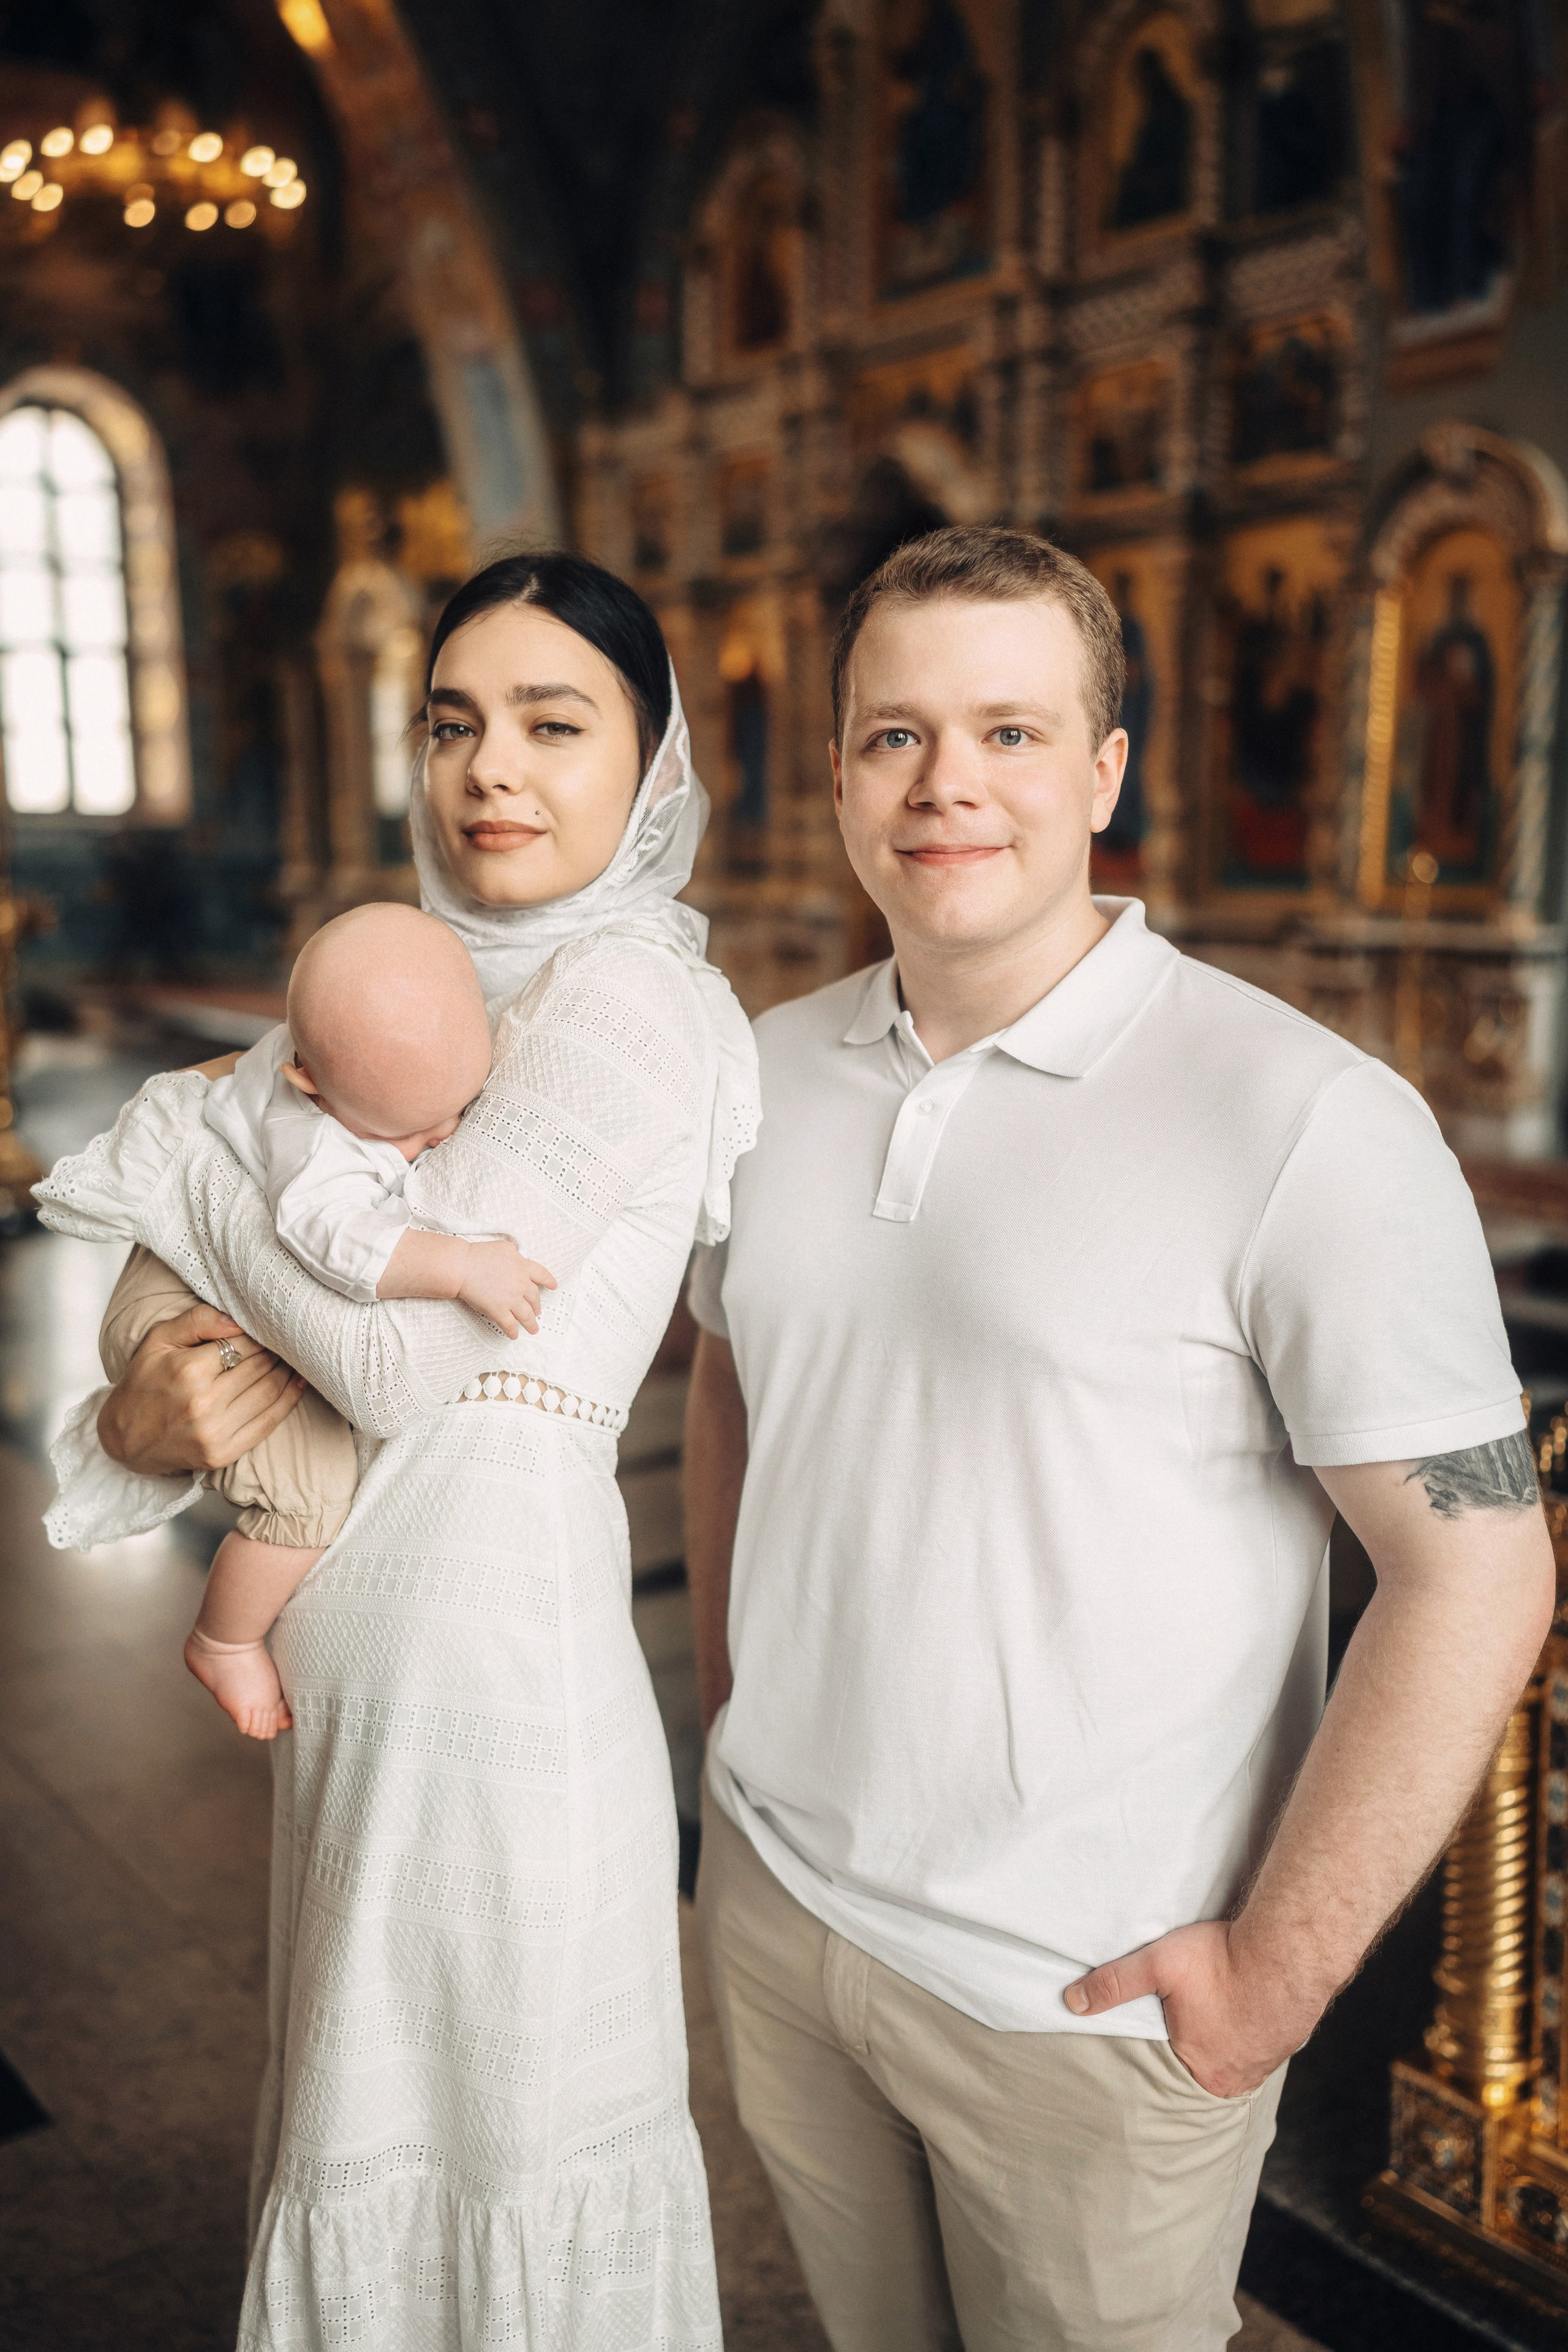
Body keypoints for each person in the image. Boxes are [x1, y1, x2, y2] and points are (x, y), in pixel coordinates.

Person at [683, 523, 1553, 2352]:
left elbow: (1476, 1568)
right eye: (896, 735)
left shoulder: (1302, 1112)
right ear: (839, 769)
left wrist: (1269, 1981)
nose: (949, 787)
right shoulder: (754, 1074)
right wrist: (737, 1722)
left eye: (1010, 731)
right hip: (780, 1909)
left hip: (1086, 1996)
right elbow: (733, 1375)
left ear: (1106, 770)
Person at [42, 552, 760, 2352]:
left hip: (495, 1672)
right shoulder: (411, 975)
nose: (489, 770)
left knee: (494, 2146)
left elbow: (390, 1346)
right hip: (369, 1679)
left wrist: (196, 1135)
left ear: (654, 761)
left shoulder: (624, 1003)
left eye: (551, 721)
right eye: (452, 723)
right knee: (376, 2128)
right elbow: (234, 1353)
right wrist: (133, 1413)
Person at [42, 900, 559, 1740]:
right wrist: (463, 1265)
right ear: (307, 1084)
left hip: (179, 1273)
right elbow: (341, 1245)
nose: (444, 1137)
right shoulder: (313, 1152)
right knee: (310, 1497)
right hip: (181, 1310)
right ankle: (225, 1638)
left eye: (458, 1110)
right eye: (411, 1133)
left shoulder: (342, 1054)